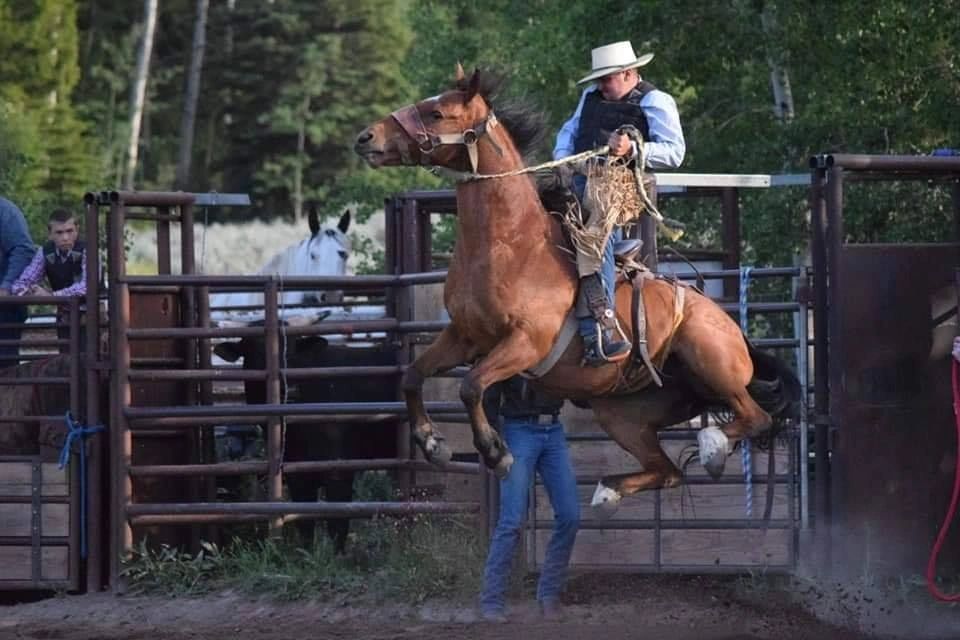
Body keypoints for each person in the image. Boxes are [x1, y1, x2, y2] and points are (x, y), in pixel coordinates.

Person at [554, 40, 685, 366]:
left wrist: (635, 149)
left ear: (628, 73)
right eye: (599, 79)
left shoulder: (655, 100)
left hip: (623, 189)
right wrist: (563, 162)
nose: (600, 85)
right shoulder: (590, 98)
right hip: (582, 181)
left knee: (598, 232)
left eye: (606, 78)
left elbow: (674, 152)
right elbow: (568, 135)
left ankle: (600, 327)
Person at [479, 376, 579, 622]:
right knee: (512, 520)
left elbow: (579, 393)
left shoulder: (560, 343)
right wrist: (492, 437)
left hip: (553, 429)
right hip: (518, 429)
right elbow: (489, 391)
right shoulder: (513, 343)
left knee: (570, 516)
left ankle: (548, 595)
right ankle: (492, 601)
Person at [11, 208, 87, 352]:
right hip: (66, 317)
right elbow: (22, 282)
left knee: (91, 361)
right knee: (67, 360)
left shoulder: (87, 249)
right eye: (59, 232)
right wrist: (29, 291)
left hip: (93, 317)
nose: (65, 237)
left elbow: (87, 286)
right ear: (50, 234)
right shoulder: (45, 252)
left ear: (77, 230)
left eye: (69, 231)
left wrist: (51, 297)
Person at [0, 196, 36, 367]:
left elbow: (23, 249)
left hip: (3, 309)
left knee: (5, 370)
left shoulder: (5, 211)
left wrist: (6, 286)